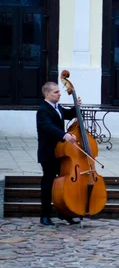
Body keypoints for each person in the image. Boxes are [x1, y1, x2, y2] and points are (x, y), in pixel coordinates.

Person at [36, 82, 81, 226]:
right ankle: (45, 215)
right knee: (48, 184)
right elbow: (48, 127)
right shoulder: (43, 110)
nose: (59, 93)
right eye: (56, 92)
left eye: (58, 91)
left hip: (61, 153)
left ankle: (64, 213)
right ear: (47, 94)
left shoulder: (58, 107)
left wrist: (76, 108)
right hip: (48, 153)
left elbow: (67, 115)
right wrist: (64, 135)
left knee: (63, 185)